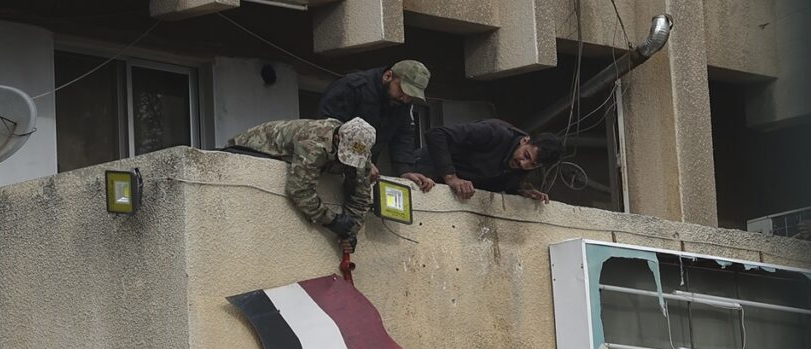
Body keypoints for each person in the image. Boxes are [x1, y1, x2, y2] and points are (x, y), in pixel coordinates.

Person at [228, 117, 376, 252]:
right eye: (346, 155)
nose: (349, 162)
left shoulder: (360, 150)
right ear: (337, 139)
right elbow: (299, 189)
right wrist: (332, 220)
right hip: (252, 147)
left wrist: (350, 231)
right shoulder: (313, 141)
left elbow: (360, 197)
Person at [317, 60, 436, 191]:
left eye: (411, 96)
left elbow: (402, 136)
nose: (405, 99)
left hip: (362, 173)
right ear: (388, 76)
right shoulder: (352, 85)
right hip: (325, 166)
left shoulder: (402, 103)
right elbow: (330, 127)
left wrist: (405, 170)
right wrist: (364, 161)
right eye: (403, 90)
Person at [411, 119, 563, 203]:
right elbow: (436, 134)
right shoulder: (495, 133)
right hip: (421, 170)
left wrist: (521, 191)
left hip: (443, 195)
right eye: (526, 155)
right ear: (525, 140)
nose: (523, 164)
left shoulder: (521, 168)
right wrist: (451, 177)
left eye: (532, 165)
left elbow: (500, 185)